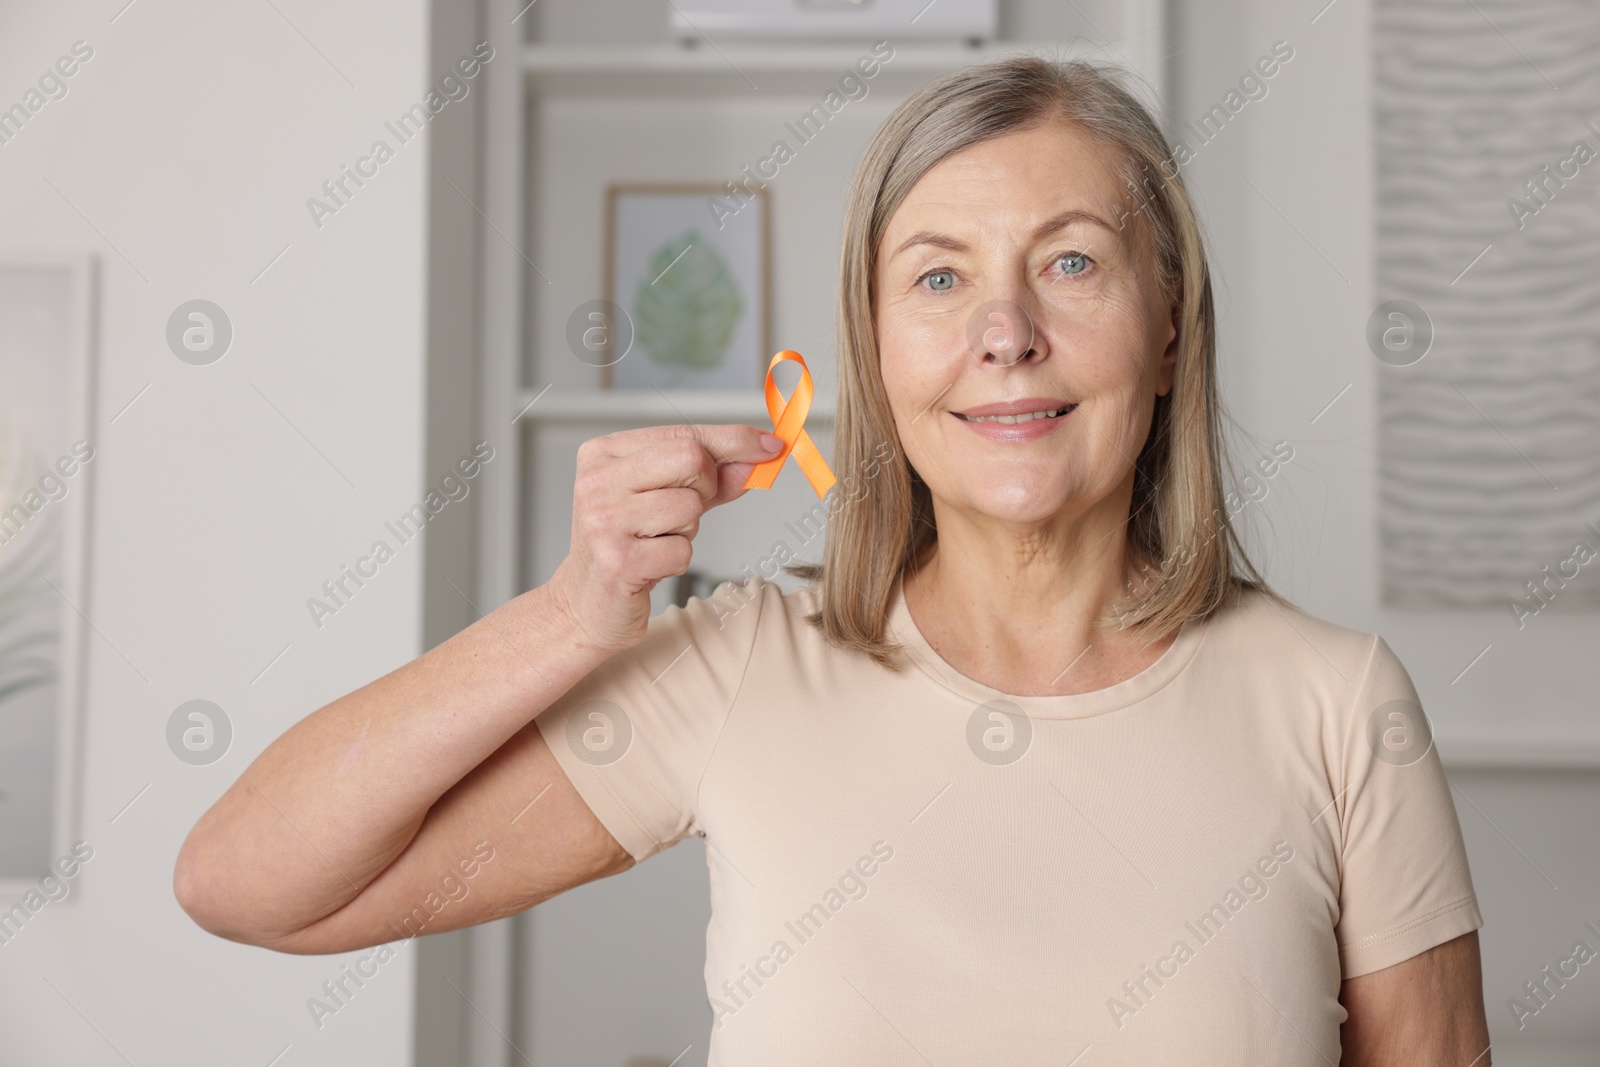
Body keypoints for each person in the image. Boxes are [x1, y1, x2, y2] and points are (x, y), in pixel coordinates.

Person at [174, 55, 1490, 1064]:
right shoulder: (745, 665)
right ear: (871, 354)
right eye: (936, 279)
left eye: (1072, 263)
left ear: (1166, 330)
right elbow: (244, 885)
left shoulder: (1335, 703)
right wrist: (574, 618)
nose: (1006, 331)